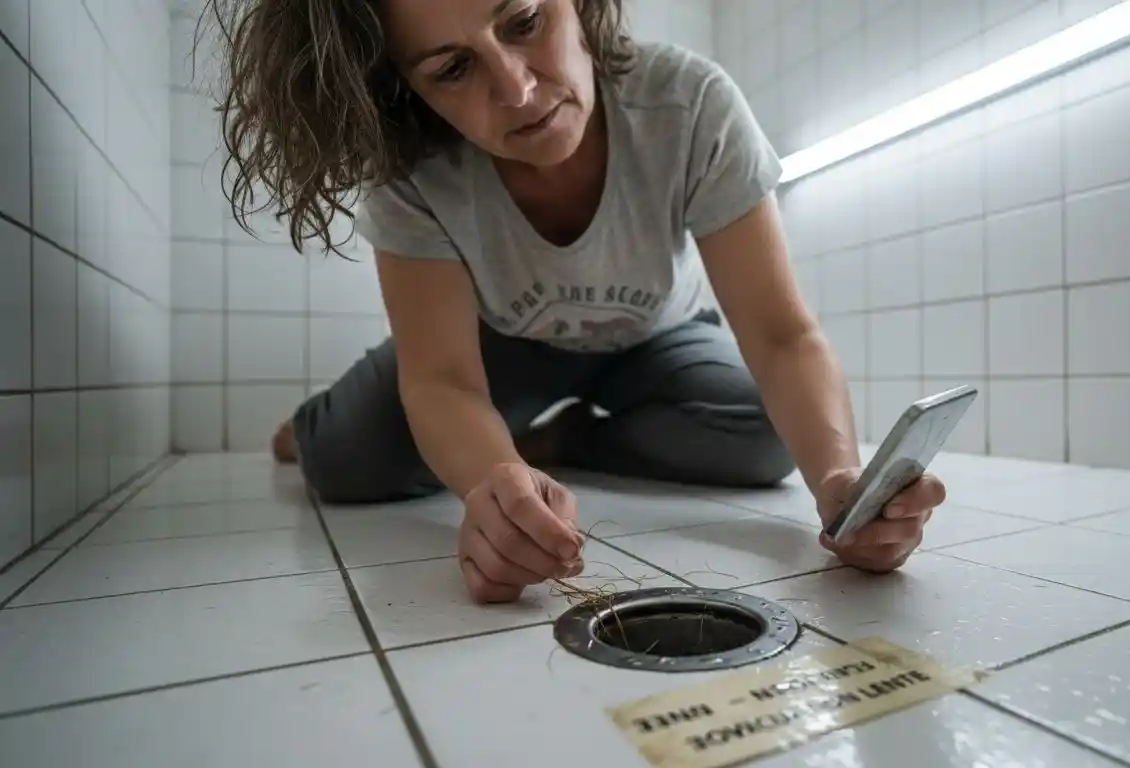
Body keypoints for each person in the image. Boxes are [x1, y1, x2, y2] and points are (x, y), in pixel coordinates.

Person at [205, 0, 947, 603]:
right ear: (408, 90)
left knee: (765, 438)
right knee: (345, 461)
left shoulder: (691, 105)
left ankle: (553, 440)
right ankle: (322, 424)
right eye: (453, 68)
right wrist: (493, 484)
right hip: (503, 343)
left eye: (525, 22)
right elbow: (443, 380)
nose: (517, 89)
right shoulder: (410, 171)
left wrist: (840, 482)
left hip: (659, 335)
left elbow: (782, 336)